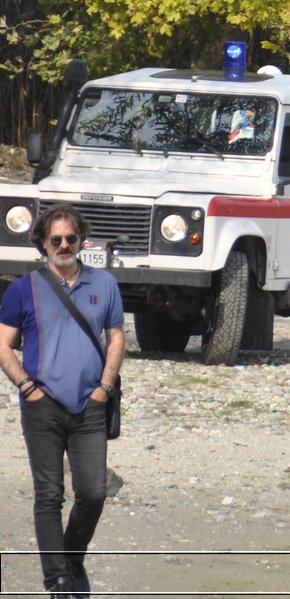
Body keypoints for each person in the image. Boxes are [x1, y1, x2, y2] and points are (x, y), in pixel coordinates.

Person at [0, 203, 125, 598]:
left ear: (81, 240)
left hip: (91, 404)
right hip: (42, 405)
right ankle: (57, 580)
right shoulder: (23, 289)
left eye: (71, 238)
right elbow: (3, 345)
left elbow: (117, 337)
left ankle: (71, 556)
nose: (65, 245)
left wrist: (105, 386)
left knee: (93, 492)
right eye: (56, 239)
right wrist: (26, 387)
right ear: (42, 242)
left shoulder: (104, 284)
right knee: (49, 494)